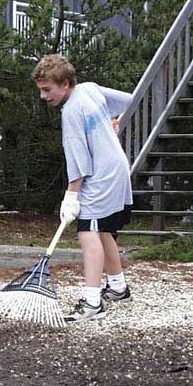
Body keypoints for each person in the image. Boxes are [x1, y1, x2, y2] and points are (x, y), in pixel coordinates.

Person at [32, 54, 133, 323]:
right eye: (41, 90)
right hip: (116, 167)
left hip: (101, 175)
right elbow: (130, 100)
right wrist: (112, 121)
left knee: (88, 233)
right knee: (103, 230)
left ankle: (92, 303)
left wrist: (71, 195)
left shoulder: (71, 112)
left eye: (47, 90)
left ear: (65, 84)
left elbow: (79, 161)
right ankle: (118, 288)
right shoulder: (89, 89)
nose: (43, 96)